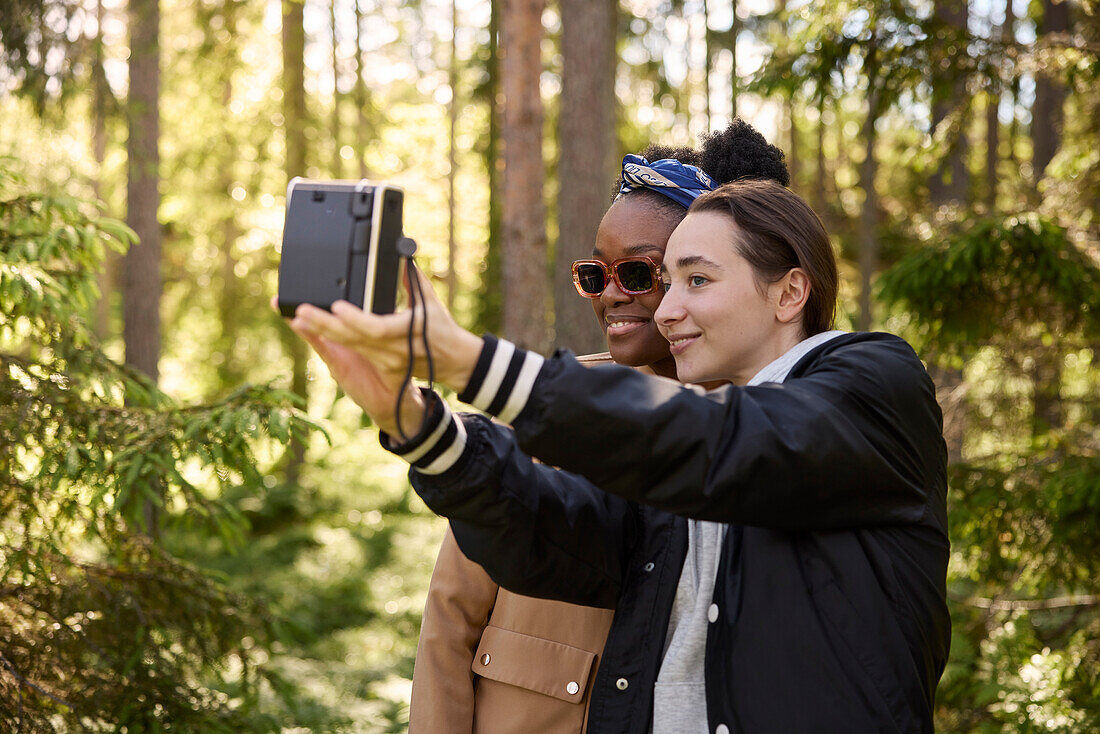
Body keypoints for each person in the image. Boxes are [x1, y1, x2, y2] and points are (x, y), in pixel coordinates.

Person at [286, 178, 951, 733]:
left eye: (695, 281)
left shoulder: (873, 384)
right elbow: (553, 535)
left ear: (789, 293)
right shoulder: (690, 453)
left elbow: (731, 444)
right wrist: (414, 421)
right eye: (666, 281)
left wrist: (469, 358)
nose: (666, 310)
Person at [408, 123, 790, 734]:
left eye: (639, 273)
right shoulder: (542, 408)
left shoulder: (763, 433)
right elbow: (450, 619)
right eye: (596, 273)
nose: (612, 294)